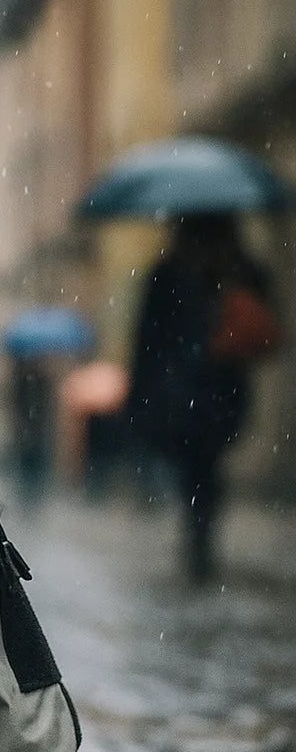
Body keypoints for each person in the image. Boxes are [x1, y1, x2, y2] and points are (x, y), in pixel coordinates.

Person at [126, 214, 273, 581]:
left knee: (199, 465)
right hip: (212, 388)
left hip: (197, 388)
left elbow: (148, 339)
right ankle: (200, 532)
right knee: (203, 464)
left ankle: (198, 532)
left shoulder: (176, 272)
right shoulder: (235, 269)